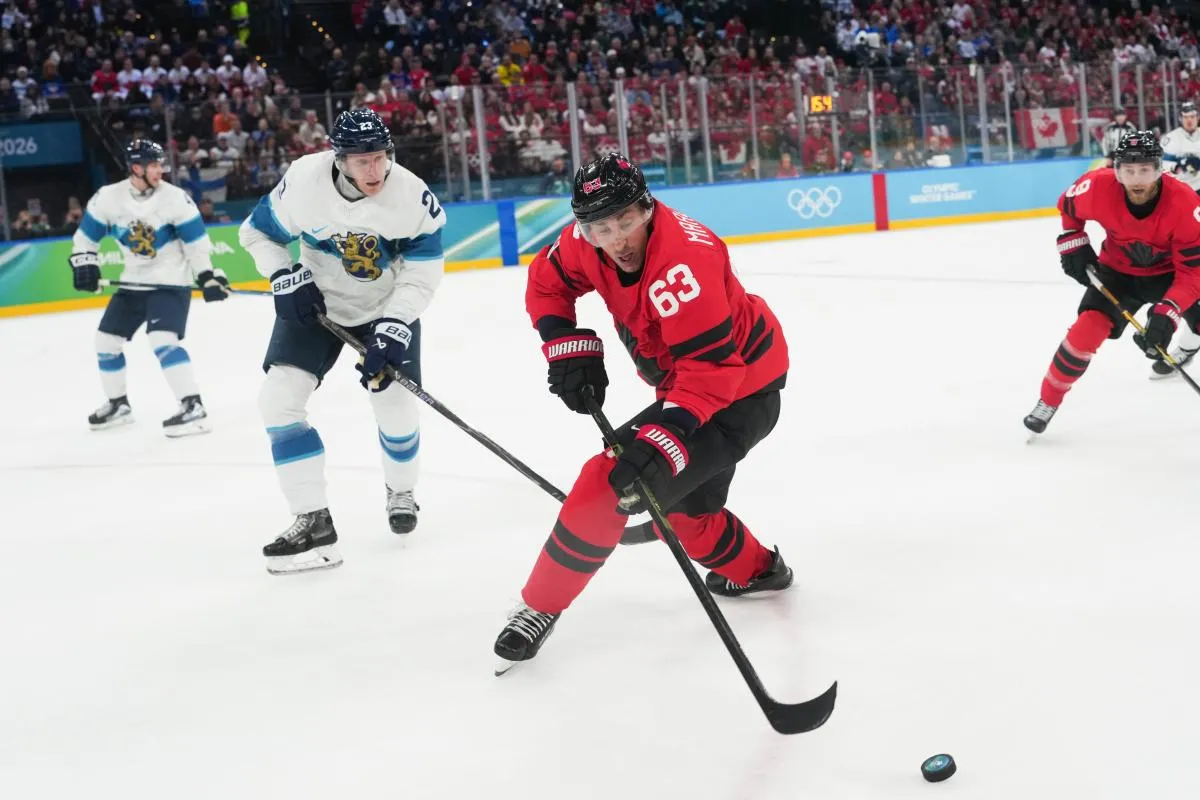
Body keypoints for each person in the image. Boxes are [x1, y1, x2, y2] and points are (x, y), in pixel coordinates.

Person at [493, 153, 794, 669]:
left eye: (628, 221)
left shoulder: (683, 262)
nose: (618, 239)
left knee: (604, 485)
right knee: (687, 518)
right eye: (602, 227)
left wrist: (666, 435)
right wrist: (566, 344)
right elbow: (546, 284)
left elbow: (712, 371)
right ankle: (762, 570)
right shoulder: (583, 242)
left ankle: (537, 607)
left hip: (741, 391)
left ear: (647, 208)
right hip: (689, 385)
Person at [238, 107, 446, 575]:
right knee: (278, 401)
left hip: (385, 309)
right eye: (361, 161)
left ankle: (401, 490)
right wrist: (283, 275)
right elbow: (256, 234)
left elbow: (423, 271)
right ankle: (312, 520)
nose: (375, 170)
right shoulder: (303, 180)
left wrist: (395, 325)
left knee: (394, 404)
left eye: (380, 157)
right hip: (317, 304)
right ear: (339, 159)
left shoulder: (412, 196)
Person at [1024, 130, 1200, 435]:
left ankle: (1189, 344)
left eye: (1145, 170)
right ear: (1116, 170)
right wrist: (1073, 240)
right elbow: (1067, 206)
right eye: (1128, 170)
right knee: (1085, 332)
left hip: (1170, 275)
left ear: (1160, 169)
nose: (1137, 179)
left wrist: (1167, 315)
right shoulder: (1098, 186)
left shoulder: (1185, 204)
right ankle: (1048, 401)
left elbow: (1192, 274)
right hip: (1117, 275)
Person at [69, 139, 228, 437]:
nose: (160, 170)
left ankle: (193, 405)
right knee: (105, 342)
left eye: (160, 164)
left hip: (170, 283)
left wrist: (207, 275)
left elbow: (196, 245)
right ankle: (118, 405)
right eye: (154, 165)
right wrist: (85, 264)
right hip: (132, 282)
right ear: (136, 168)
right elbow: (85, 239)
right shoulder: (108, 198)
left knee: (162, 339)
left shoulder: (176, 199)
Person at [1148, 102, 1200, 376]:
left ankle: (1188, 347)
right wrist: (1180, 163)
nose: (1190, 120)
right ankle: (1187, 347)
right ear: (1181, 118)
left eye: (1194, 116)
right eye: (1186, 117)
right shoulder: (1171, 138)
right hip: (1182, 204)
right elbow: (1162, 169)